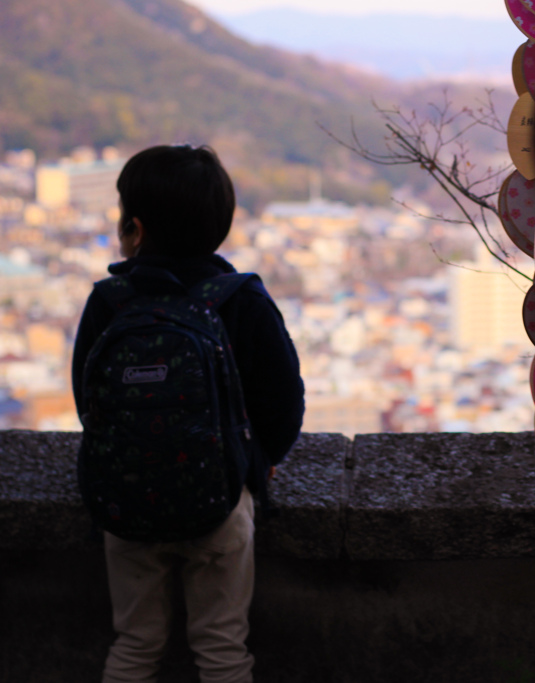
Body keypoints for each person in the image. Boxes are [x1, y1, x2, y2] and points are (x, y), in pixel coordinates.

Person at [71, 144, 305, 683]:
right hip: (221, 500)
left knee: (134, 645)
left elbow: (90, 400)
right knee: (221, 648)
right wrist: (253, 462)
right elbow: (283, 402)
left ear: (134, 227)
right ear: (220, 226)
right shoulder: (241, 298)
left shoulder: (110, 301)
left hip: (126, 501)